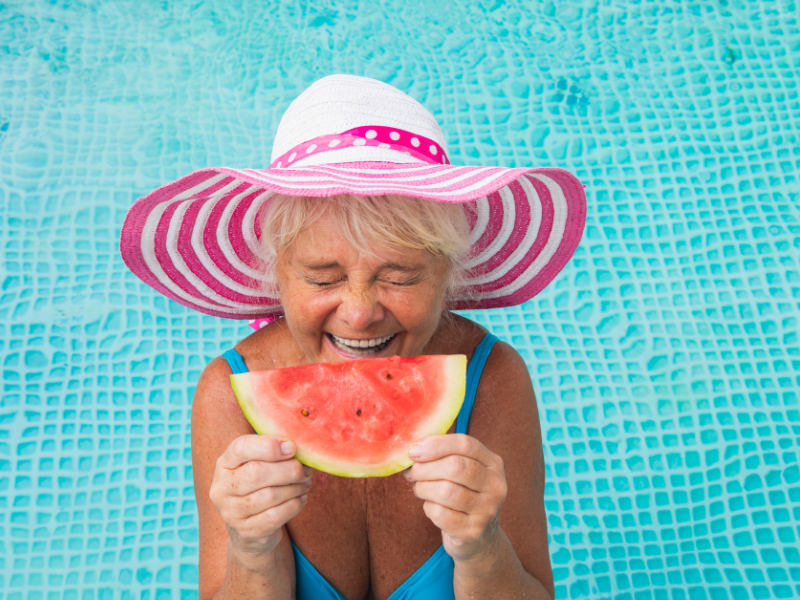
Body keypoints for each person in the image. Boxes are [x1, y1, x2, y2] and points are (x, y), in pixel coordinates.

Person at [120, 74, 586, 600]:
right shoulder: (230, 392)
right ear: (277, 274)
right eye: (323, 276)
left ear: (448, 275)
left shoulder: (491, 375)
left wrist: (482, 550)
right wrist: (252, 551)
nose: (360, 314)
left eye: (401, 275)